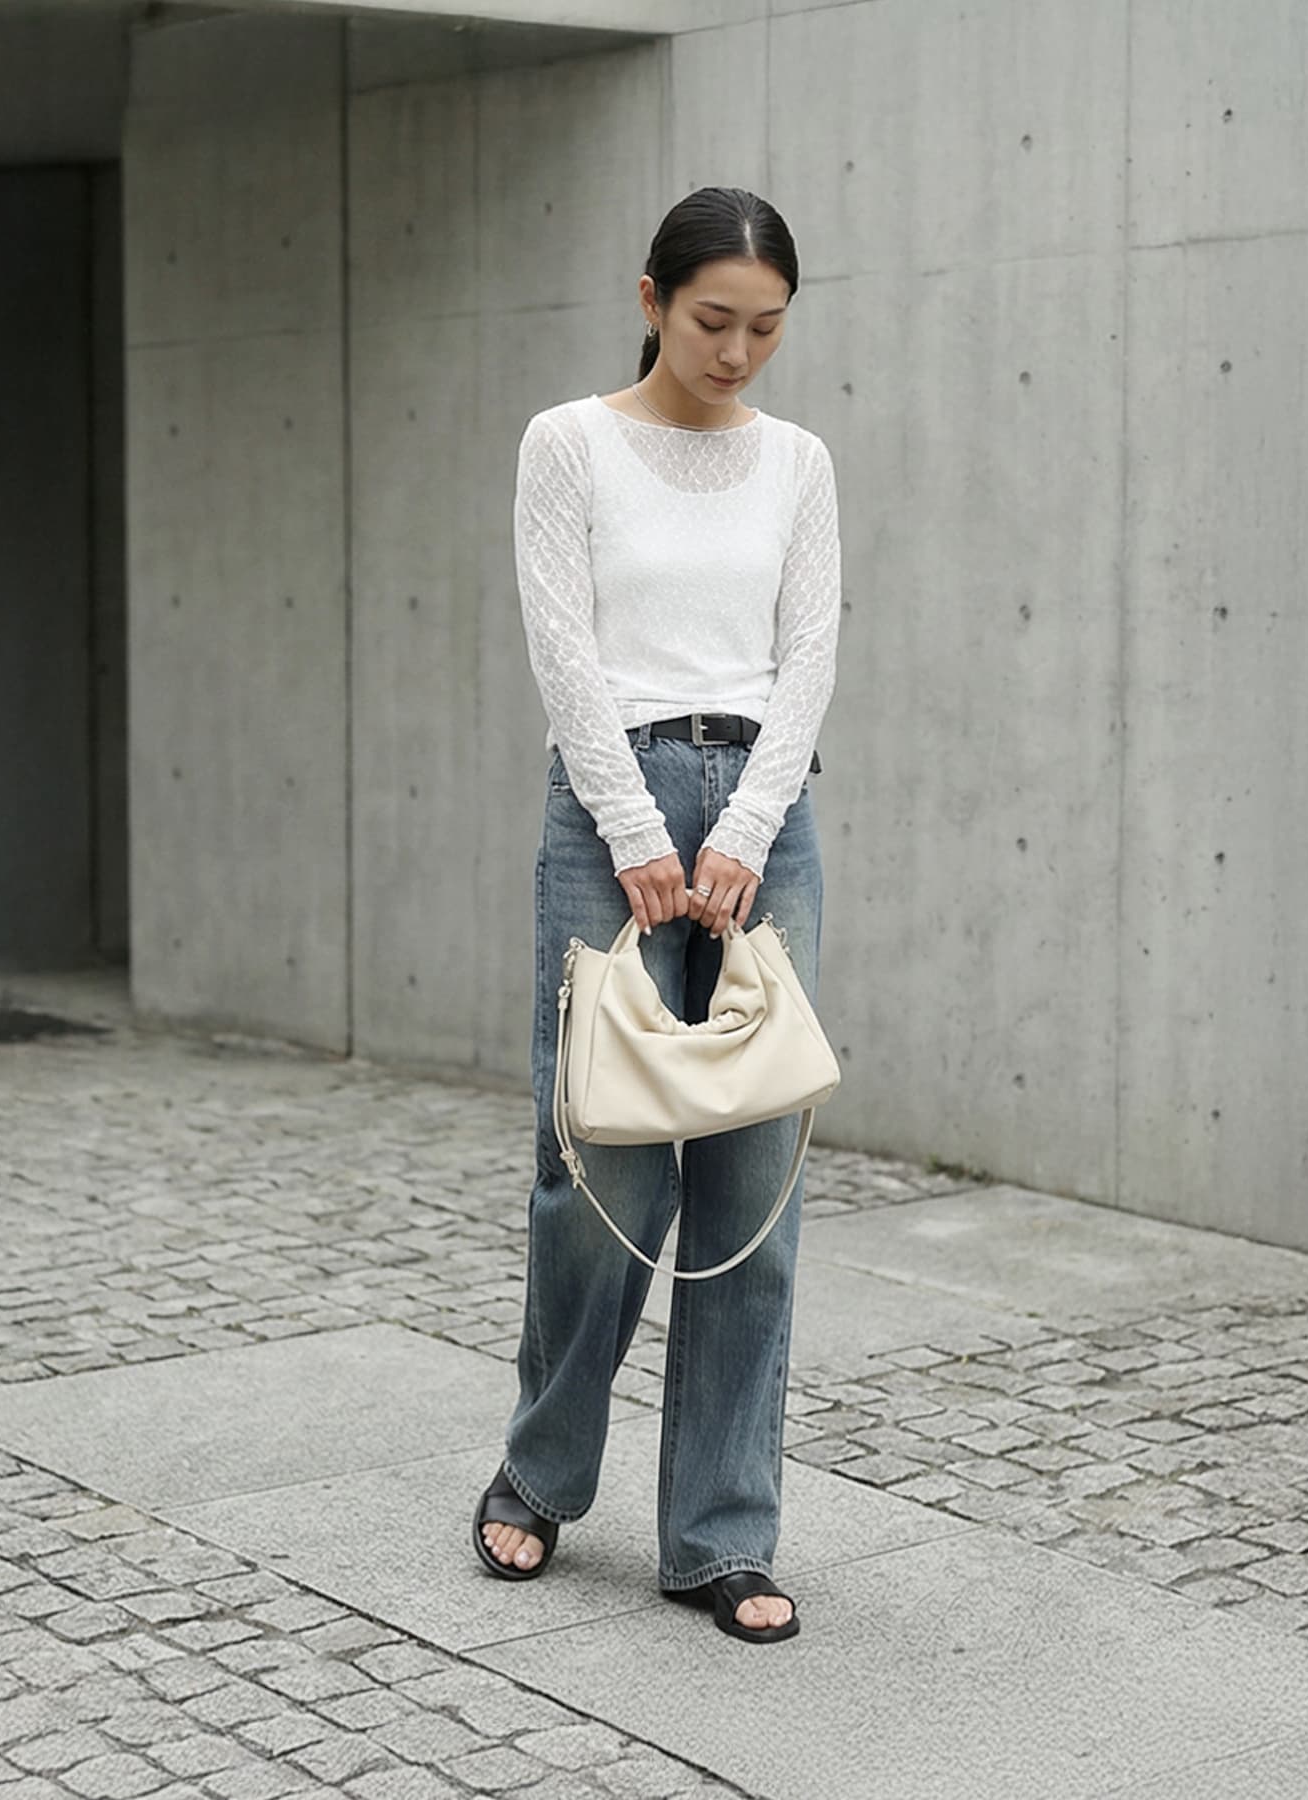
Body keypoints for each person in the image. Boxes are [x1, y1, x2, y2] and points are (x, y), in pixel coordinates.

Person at [470, 186, 841, 1645]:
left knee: (755, 1191)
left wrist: (743, 831)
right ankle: (541, 1472)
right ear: (651, 300)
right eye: (712, 321)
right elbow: (561, 642)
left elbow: (809, 654)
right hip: (605, 808)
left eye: (766, 328)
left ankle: (721, 1535)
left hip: (766, 819)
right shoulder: (568, 443)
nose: (737, 352)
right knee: (601, 1181)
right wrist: (638, 832)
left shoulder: (799, 462)